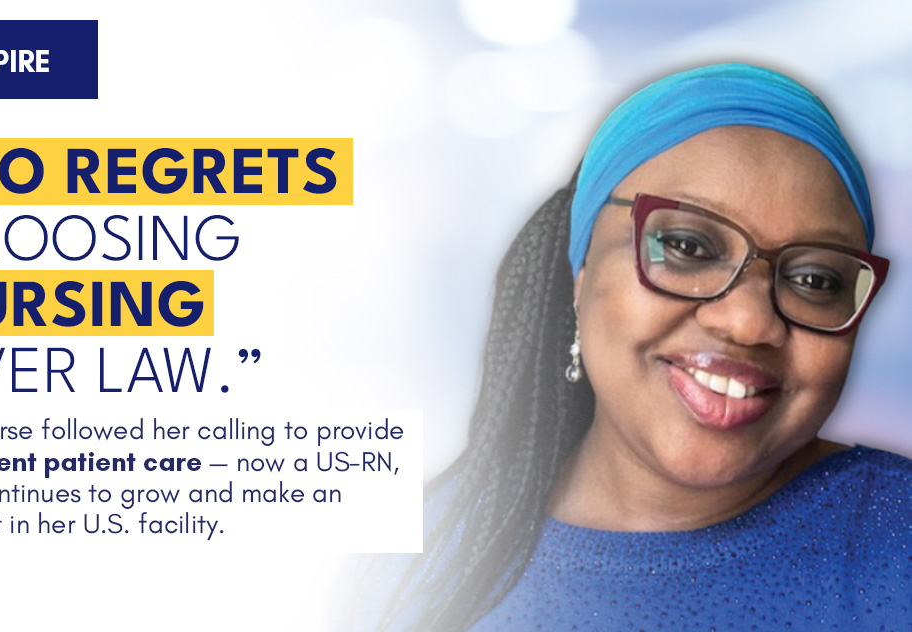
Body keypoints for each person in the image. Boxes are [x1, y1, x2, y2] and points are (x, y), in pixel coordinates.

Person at [339, 63, 912, 631]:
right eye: (688, 245)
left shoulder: (896, 539)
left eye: (816, 281)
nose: (746, 322)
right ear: (582, 271)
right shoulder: (411, 555)